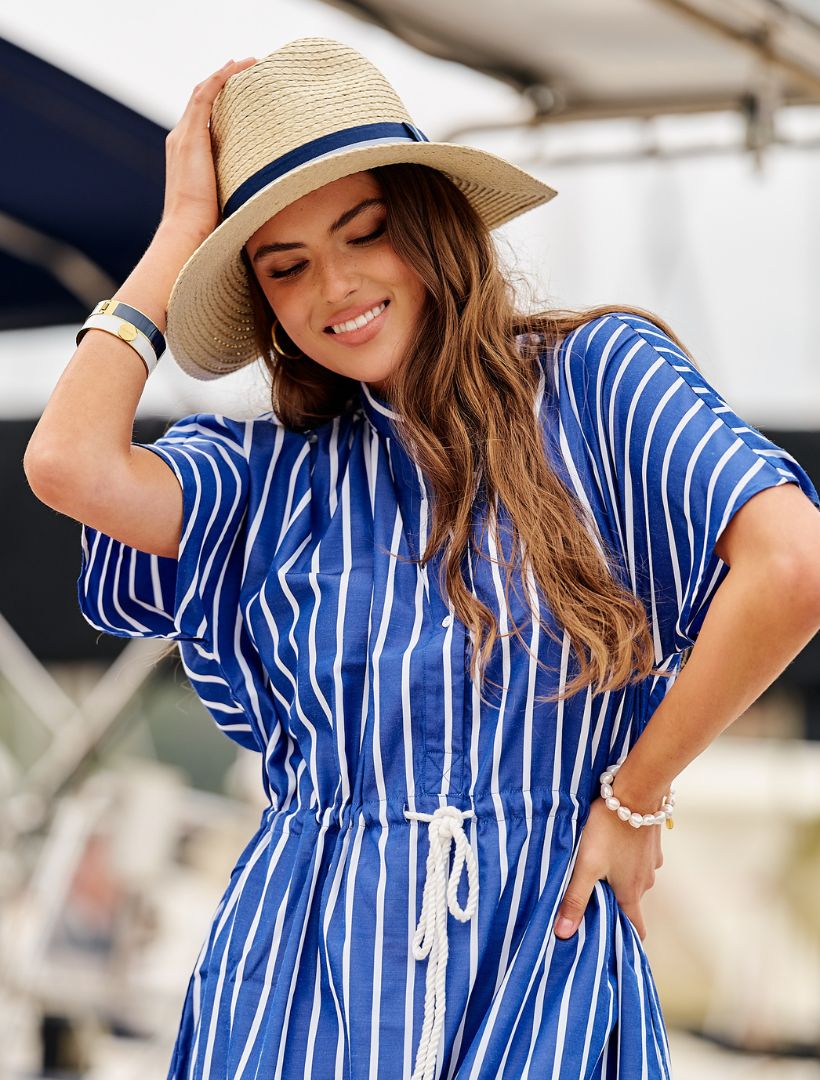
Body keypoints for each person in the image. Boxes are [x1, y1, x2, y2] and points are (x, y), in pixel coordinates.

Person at [24, 36, 820, 1080]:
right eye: (285, 264)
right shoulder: (268, 477)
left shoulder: (595, 382)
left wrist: (635, 794)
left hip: (539, 956)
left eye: (366, 231)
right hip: (295, 980)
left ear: (431, 224)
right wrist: (181, 230)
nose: (336, 286)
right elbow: (66, 461)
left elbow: (792, 567)